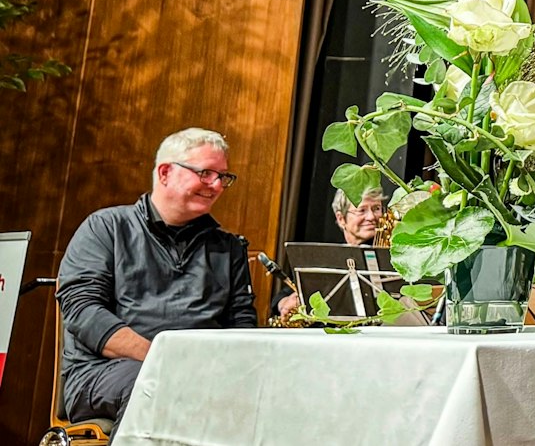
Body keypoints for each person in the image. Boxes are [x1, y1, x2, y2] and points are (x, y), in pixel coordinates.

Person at [57, 128, 257, 422]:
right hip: (103, 372)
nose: (216, 185)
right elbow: (83, 312)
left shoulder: (228, 248)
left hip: (202, 376)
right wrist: (164, 360)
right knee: (157, 385)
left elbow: (241, 326)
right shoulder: (107, 227)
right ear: (165, 173)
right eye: (205, 173)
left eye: (223, 176)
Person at [273, 186, 387, 318]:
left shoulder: (393, 254)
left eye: (376, 209)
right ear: (341, 219)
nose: (371, 217)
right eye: (362, 210)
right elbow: (282, 296)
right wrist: (285, 303)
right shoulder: (328, 255)